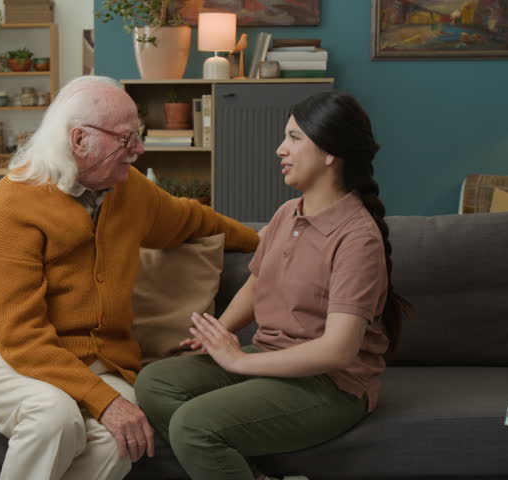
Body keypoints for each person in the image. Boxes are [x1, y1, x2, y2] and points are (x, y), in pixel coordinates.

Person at [0, 75, 259, 480]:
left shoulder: (130, 191)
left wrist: (269, 244)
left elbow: (195, 220)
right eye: (126, 139)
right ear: (79, 140)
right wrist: (103, 401)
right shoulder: (13, 202)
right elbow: (20, 337)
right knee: (54, 417)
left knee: (124, 439)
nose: (138, 149)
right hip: (12, 360)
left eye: (137, 134)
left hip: (103, 363)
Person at [135, 91, 412, 480]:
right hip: (272, 358)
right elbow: (257, 282)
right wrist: (221, 332)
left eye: (294, 138)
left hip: (330, 386)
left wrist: (240, 362)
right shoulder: (286, 214)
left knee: (193, 426)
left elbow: (338, 350)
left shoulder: (357, 238)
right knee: (154, 382)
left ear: (330, 151)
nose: (280, 149)